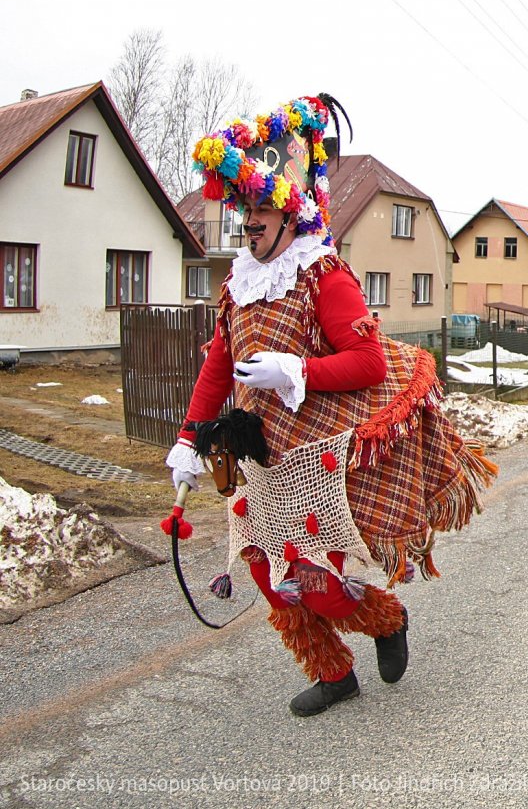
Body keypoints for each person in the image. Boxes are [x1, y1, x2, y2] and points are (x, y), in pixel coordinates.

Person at [167, 95, 496, 718]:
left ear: (289, 215)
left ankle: (387, 619)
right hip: (258, 460)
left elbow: (368, 363)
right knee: (269, 576)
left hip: (312, 459)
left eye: (260, 211)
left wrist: (296, 370)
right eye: (244, 211)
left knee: (317, 583)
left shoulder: (324, 274)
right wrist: (189, 439)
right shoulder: (240, 282)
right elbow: (217, 364)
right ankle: (333, 673)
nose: (249, 223)